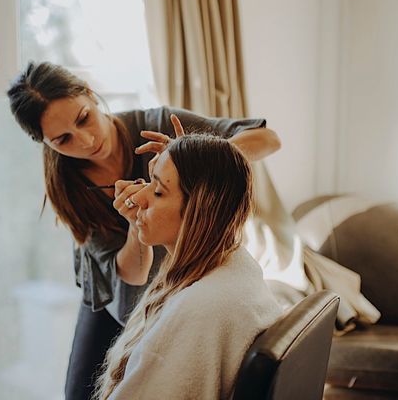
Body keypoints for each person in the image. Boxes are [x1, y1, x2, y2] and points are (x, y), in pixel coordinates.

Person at [7, 61, 281, 400]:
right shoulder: (69, 187)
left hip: (177, 275)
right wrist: (136, 227)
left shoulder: (155, 124)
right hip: (117, 284)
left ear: (90, 95)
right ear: (46, 143)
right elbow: (131, 277)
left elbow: (268, 140)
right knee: (80, 392)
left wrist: (196, 162)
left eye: (84, 119)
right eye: (64, 139)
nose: (87, 140)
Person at [95, 134, 283, 399]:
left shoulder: (198, 309)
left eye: (159, 191)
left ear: (200, 210)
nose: (139, 198)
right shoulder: (234, 267)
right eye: (150, 181)